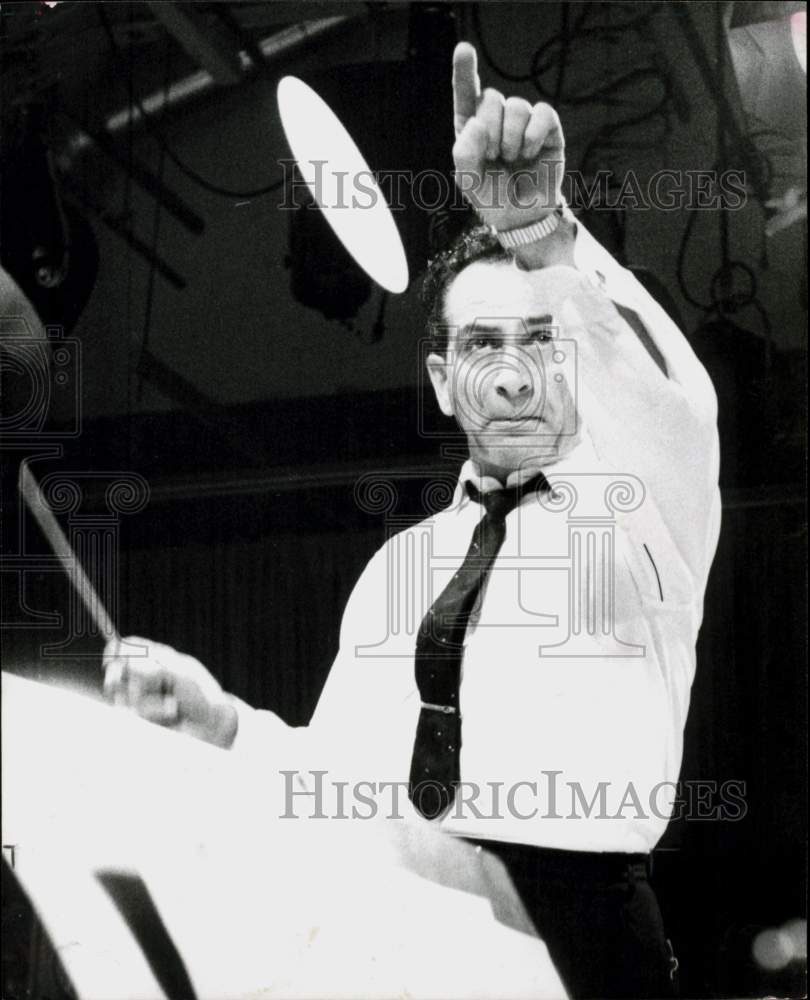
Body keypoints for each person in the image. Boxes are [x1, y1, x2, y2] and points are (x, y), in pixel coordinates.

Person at [104, 42, 720, 999]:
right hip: (404, 928)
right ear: (441, 379)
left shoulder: (645, 509)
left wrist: (542, 233)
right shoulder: (402, 565)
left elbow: (669, 401)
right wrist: (224, 722)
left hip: (577, 929)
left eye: (543, 342)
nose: (514, 374)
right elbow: (344, 783)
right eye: (480, 345)